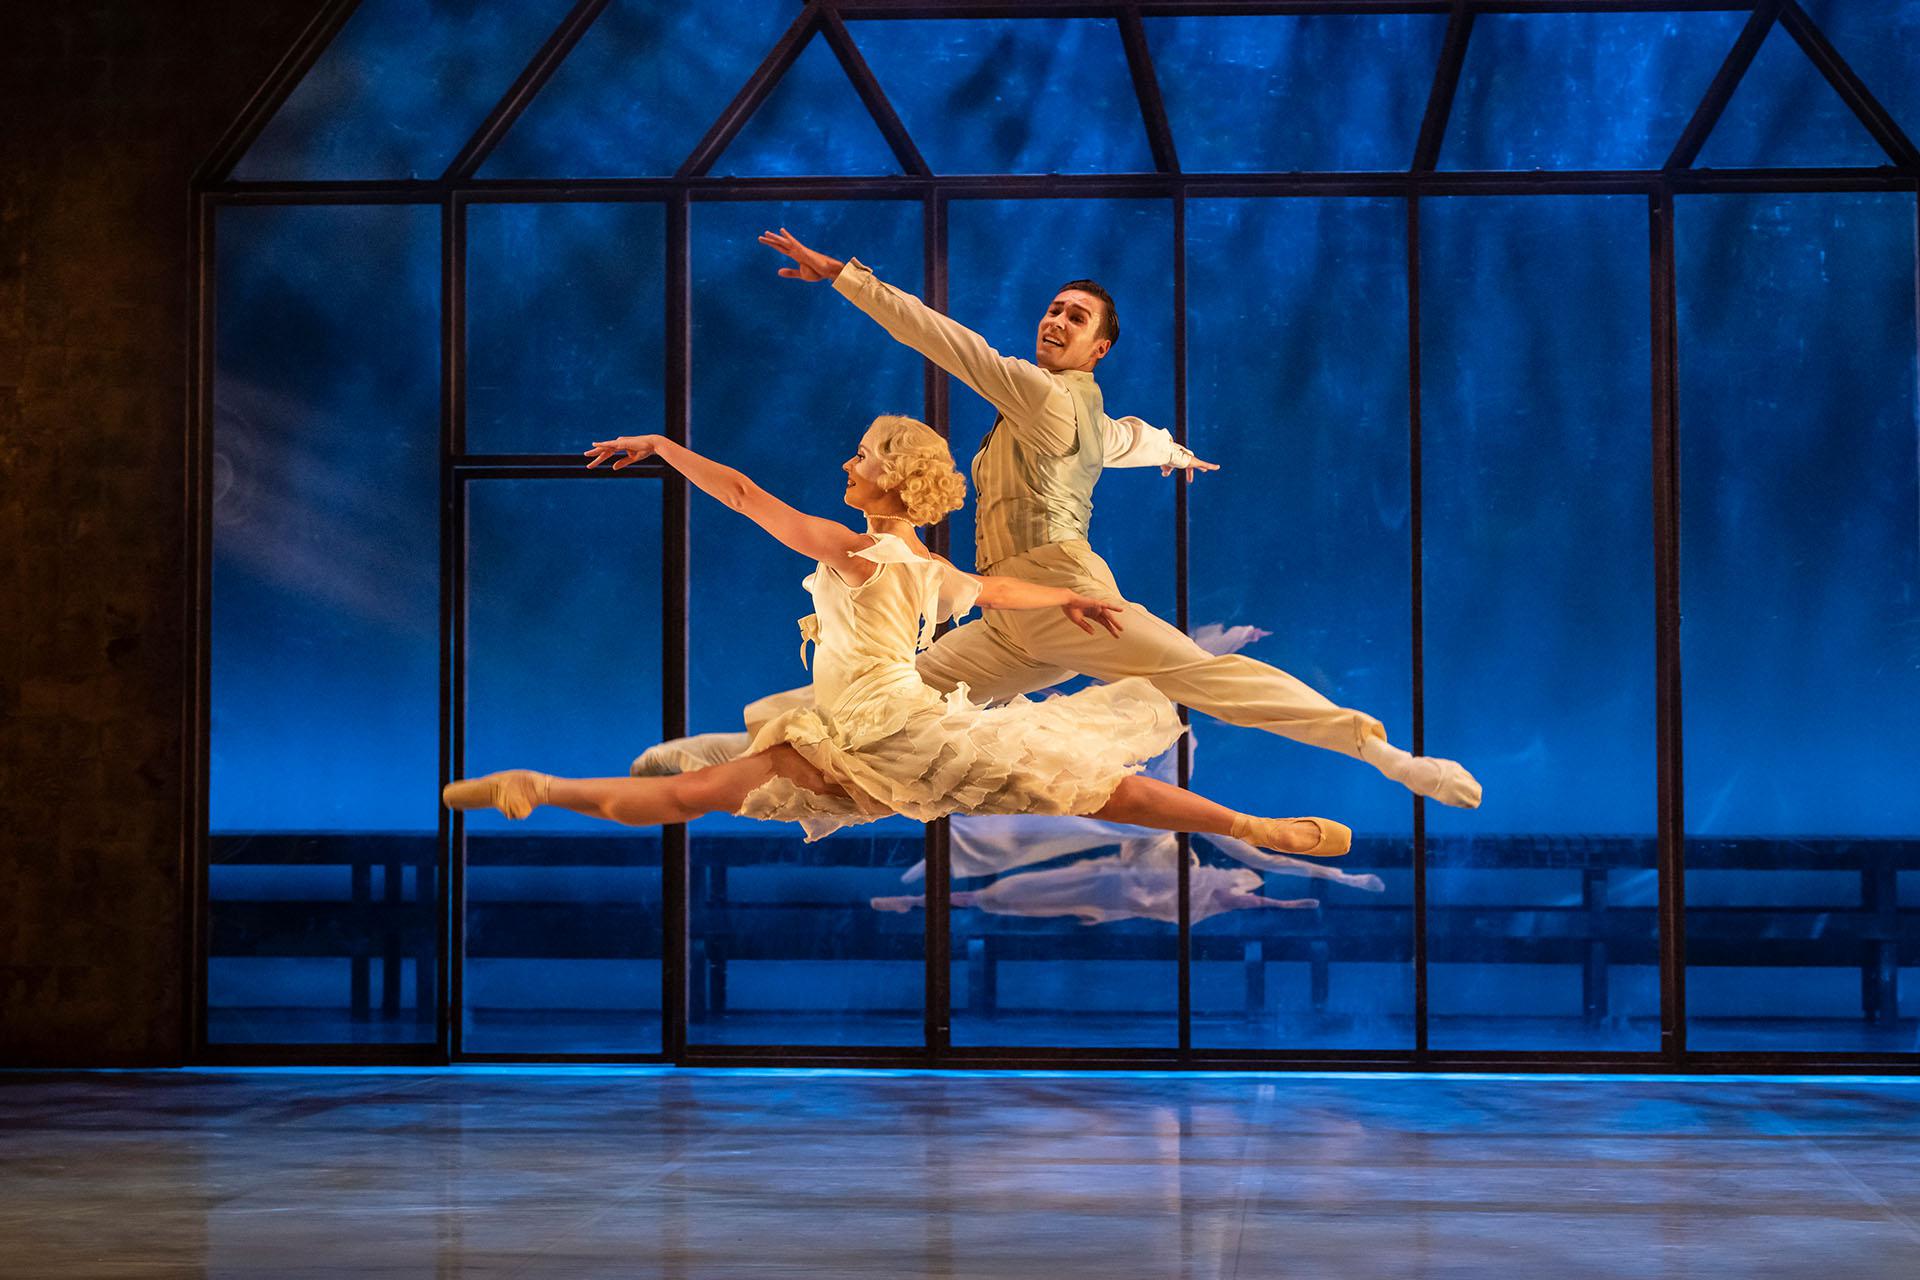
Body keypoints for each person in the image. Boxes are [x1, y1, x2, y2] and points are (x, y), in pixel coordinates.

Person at [631, 230, 1480, 809]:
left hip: (1066, 594)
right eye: (1053, 308)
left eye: (1075, 317)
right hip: (1007, 616)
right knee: (881, 706)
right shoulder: (1079, 415)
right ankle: (724, 757)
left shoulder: (1039, 394)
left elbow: (946, 341)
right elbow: (1130, 438)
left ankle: (1384, 754)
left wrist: (847, 278)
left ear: (1097, 347)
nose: (1054, 319)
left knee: (1201, 676)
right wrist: (1178, 453)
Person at [444, 416, 1350, 858]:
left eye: (864, 456)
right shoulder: (920, 566)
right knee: (1093, 790)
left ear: (891, 482)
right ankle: (539, 786)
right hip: (864, 728)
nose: (848, 463)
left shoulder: (860, 554)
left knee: (1093, 788)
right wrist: (1063, 604)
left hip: (883, 728)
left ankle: (551, 787)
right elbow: (989, 585)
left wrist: (665, 445)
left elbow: (743, 496)